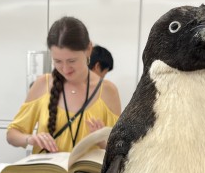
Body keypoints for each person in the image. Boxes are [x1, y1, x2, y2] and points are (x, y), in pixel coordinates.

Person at [7, 17, 121, 153]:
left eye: (72, 60)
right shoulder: (43, 84)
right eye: (58, 61)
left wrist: (102, 141)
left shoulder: (108, 91)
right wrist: (30, 139)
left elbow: (119, 149)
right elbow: (12, 134)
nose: (65, 69)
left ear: (89, 49)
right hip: (45, 172)